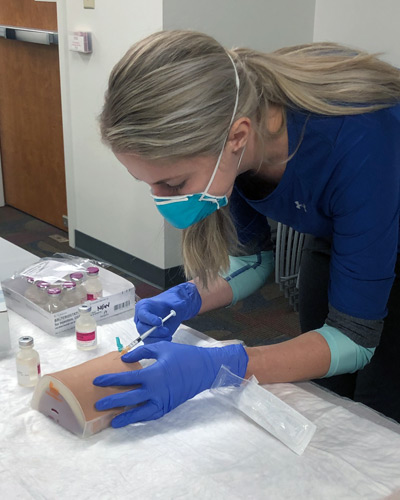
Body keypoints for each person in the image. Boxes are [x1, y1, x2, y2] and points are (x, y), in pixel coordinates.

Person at [93, 30, 400, 428]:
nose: (161, 198)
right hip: (344, 223)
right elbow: (252, 260)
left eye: (173, 184)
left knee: (378, 411)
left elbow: (353, 339)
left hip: (380, 202)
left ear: (237, 137)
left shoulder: (358, 139)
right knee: (327, 393)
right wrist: (187, 299)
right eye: (149, 183)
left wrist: (225, 364)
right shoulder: (235, 140)